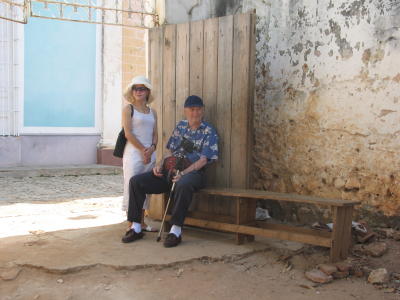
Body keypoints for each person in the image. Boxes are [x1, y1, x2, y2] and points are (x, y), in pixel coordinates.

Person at [122, 95, 219, 247]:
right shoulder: (181, 126)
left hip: (193, 173)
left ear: (203, 111)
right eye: (192, 110)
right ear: (186, 111)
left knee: (183, 184)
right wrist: (159, 165)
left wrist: (183, 173)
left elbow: (203, 160)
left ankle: (175, 230)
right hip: (171, 170)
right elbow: (169, 152)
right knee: (136, 182)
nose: (195, 113)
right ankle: (135, 227)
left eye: (198, 109)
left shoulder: (209, 130)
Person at [121, 76, 158, 232]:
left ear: (148, 91)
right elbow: (128, 134)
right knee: (132, 186)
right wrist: (143, 150)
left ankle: (141, 222)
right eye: (135, 88)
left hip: (150, 154)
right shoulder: (128, 109)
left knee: (145, 187)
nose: (138, 91)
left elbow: (155, 133)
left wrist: (152, 148)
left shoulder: (153, 112)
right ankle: (132, 224)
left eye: (142, 88)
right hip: (134, 154)